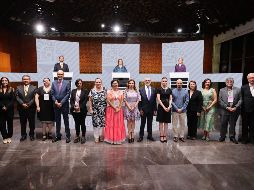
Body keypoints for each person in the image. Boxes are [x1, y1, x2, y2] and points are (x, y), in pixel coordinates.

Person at [218, 78, 241, 144]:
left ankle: (232, 137)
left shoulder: (238, 90)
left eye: (231, 81)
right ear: (225, 83)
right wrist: (227, 107)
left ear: (233, 83)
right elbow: (220, 100)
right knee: (223, 124)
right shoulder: (221, 90)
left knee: (232, 124)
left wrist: (235, 107)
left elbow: (240, 100)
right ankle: (222, 136)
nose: (229, 83)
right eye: (228, 81)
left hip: (234, 110)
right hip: (224, 110)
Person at [51, 70, 71, 143]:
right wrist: (56, 101)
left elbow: (68, 94)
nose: (60, 75)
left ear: (63, 75)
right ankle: (58, 136)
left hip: (64, 105)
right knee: (57, 121)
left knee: (66, 121)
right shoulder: (53, 83)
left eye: (61, 74)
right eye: (58, 74)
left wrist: (61, 102)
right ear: (57, 75)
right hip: (56, 105)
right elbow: (52, 94)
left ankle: (68, 136)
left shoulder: (67, 83)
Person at [104, 79, 126, 144]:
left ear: (118, 84)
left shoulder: (121, 92)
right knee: (111, 124)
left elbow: (122, 100)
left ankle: (118, 139)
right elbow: (108, 100)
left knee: (118, 124)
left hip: (119, 110)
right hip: (111, 109)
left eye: (116, 83)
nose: (115, 84)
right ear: (111, 84)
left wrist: (119, 108)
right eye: (114, 83)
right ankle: (111, 139)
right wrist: (114, 107)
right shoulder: (108, 91)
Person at [16, 75, 37, 141]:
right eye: (24, 79)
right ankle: (23, 135)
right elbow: (17, 97)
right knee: (23, 123)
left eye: (27, 79)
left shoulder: (34, 87)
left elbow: (35, 97)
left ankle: (31, 135)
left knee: (31, 123)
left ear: (30, 80)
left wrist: (28, 104)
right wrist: (22, 103)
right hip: (21, 108)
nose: (26, 80)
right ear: (22, 80)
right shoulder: (18, 87)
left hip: (31, 108)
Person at [137, 77, 157, 142]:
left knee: (150, 123)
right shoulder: (140, 89)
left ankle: (150, 136)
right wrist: (140, 109)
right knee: (142, 123)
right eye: (146, 80)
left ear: (150, 81)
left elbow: (154, 101)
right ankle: (141, 136)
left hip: (151, 110)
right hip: (143, 110)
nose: (147, 81)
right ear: (144, 81)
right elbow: (139, 101)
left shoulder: (154, 89)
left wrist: (155, 110)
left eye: (148, 80)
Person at [89, 78, 107, 143]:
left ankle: (101, 136)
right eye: (97, 82)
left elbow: (107, 100)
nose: (98, 83)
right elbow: (90, 100)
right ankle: (96, 137)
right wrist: (90, 109)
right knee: (96, 124)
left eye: (99, 82)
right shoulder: (92, 91)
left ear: (101, 83)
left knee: (102, 123)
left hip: (103, 109)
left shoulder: (105, 90)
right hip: (95, 110)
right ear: (95, 83)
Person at [70, 79, 88, 144]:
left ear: (82, 84)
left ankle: (83, 136)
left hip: (82, 110)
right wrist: (73, 106)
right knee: (77, 123)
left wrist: (79, 107)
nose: (79, 84)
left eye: (80, 83)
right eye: (78, 83)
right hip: (74, 110)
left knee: (82, 123)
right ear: (76, 84)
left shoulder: (85, 91)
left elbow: (85, 100)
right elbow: (71, 100)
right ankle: (77, 136)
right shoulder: (73, 91)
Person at [156, 77, 172, 143]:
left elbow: (170, 99)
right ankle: (161, 136)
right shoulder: (159, 89)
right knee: (161, 122)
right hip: (161, 107)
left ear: (167, 82)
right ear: (161, 82)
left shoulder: (169, 89)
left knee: (166, 122)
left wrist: (169, 106)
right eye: (163, 81)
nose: (164, 82)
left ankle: (165, 135)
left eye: (165, 81)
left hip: (168, 107)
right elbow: (158, 99)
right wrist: (164, 107)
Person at [0, 77, 15, 144]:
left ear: (8, 81)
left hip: (9, 109)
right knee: (1, 124)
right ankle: (4, 137)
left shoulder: (11, 89)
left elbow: (13, 100)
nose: (4, 81)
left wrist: (7, 106)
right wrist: (2, 106)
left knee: (10, 123)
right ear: (1, 81)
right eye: (3, 80)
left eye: (6, 80)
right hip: (0, 109)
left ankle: (9, 137)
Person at [241, 73, 254, 144]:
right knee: (245, 125)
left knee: (253, 125)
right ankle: (244, 139)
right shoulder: (243, 87)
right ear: (248, 79)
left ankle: (252, 139)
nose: (252, 79)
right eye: (250, 78)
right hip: (245, 110)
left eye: (253, 78)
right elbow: (241, 99)